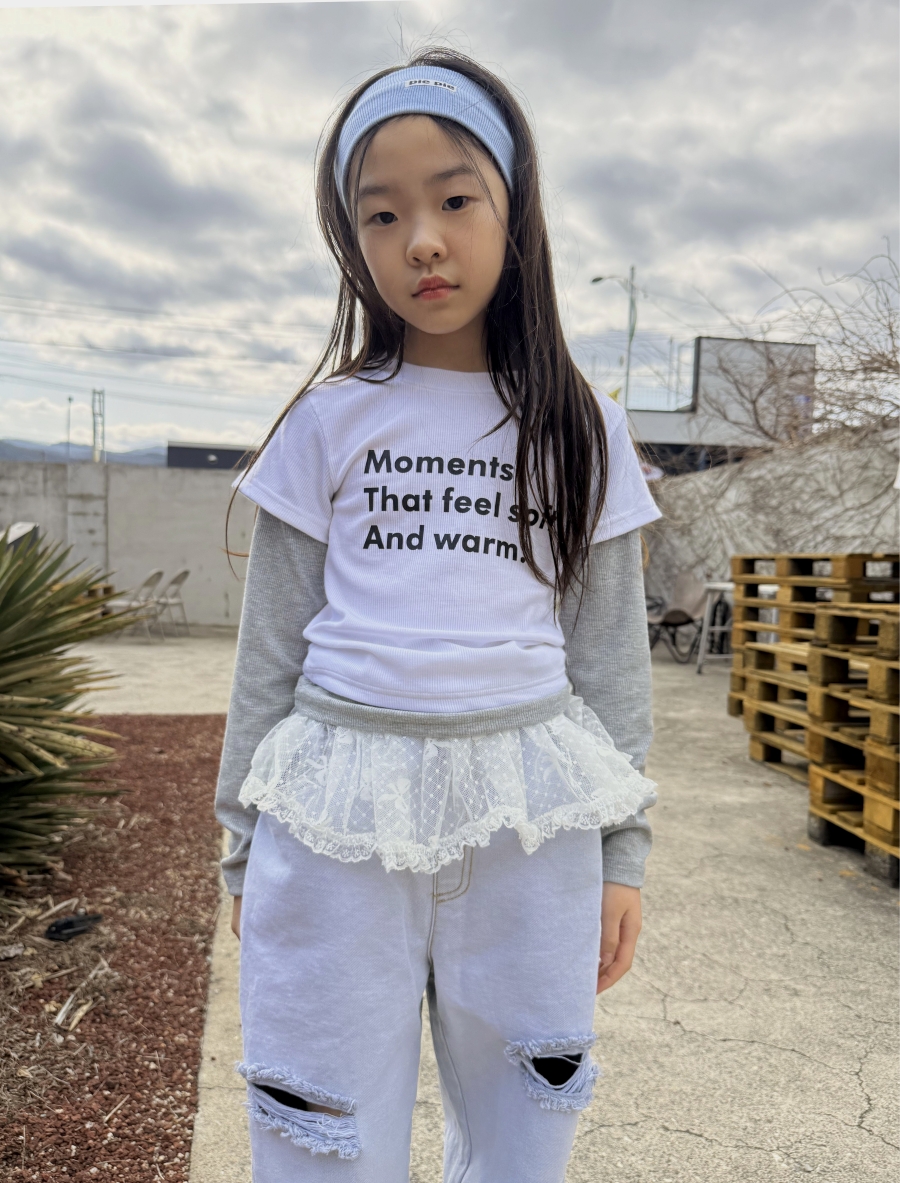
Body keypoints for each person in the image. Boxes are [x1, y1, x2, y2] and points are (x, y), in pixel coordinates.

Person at [215, 47, 661, 1183]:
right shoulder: (326, 422)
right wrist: (242, 848)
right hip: (333, 824)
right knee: (314, 1116)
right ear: (350, 239)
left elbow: (610, 656)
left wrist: (623, 852)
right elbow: (269, 647)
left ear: (518, 211)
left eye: (455, 200)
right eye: (381, 213)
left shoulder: (584, 426)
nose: (421, 239)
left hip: (531, 830)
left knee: (527, 1115)